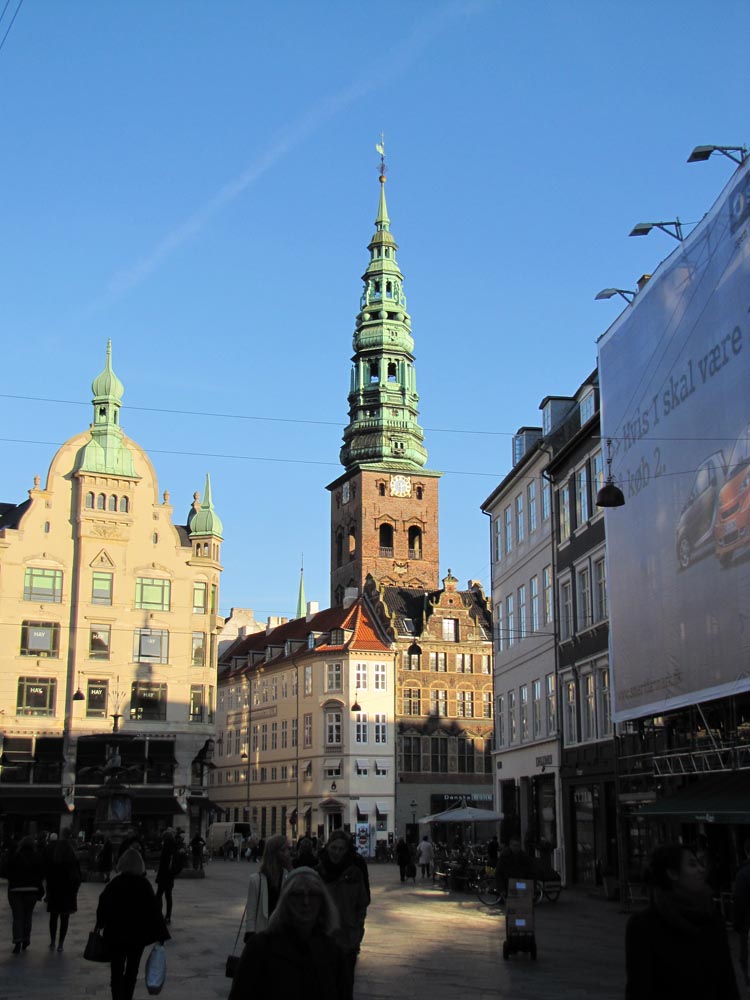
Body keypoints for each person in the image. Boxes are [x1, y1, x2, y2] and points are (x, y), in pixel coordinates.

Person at [625, 843, 739, 1000]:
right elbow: (639, 990)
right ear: (673, 873)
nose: (701, 869)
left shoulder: (711, 916)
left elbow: (727, 982)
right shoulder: (643, 926)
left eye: (700, 863)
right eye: (692, 865)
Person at [229, 866, 344, 1000]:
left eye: (313, 895)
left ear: (322, 901)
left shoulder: (333, 952)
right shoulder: (260, 948)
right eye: (298, 895)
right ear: (286, 901)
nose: (306, 902)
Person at [97, 847, 170, 1000]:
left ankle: (117, 997)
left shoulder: (115, 884)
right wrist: (161, 935)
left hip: (116, 935)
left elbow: (103, 905)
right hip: (137, 937)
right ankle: (127, 997)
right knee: (132, 971)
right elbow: (154, 910)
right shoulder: (144, 885)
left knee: (116, 972)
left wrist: (100, 924)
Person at [317, 829, 368, 1000]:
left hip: (348, 940)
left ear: (346, 851)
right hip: (323, 940)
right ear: (328, 847)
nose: (337, 853)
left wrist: (357, 932)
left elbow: (362, 904)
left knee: (345, 988)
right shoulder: (317, 873)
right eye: (334, 848)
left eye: (341, 849)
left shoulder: (354, 873)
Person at [244, 834, 292, 936]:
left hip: (282, 933)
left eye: (288, 849)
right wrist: (250, 932)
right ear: (273, 853)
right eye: (283, 850)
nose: (287, 854)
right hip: (262, 933)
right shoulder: (256, 880)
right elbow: (251, 911)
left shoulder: (289, 877)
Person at [44, 827, 81, 952]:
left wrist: (48, 891)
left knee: (53, 917)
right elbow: (77, 878)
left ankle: (52, 941)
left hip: (55, 892)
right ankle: (61, 943)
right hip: (68, 893)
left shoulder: (55, 861)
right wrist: (74, 891)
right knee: (65, 919)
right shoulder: (72, 860)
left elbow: (49, 877)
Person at [6, 835, 44, 953]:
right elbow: (41, 874)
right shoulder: (37, 857)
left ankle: (17, 941)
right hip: (31, 891)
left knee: (17, 917)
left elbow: (6, 871)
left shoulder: (15, 856)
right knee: (28, 916)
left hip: (15, 890)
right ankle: (26, 940)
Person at [733, 838, 750, 987]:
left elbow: (739, 902)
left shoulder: (743, 874)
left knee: (746, 960)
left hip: (747, 926)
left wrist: (737, 925)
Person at [154, 829, 179, 925]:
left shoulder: (167, 846)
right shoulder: (174, 846)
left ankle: (158, 915)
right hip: (170, 876)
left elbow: (164, 863)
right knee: (168, 895)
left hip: (164, 876)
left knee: (158, 895)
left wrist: (159, 875)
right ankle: (168, 916)